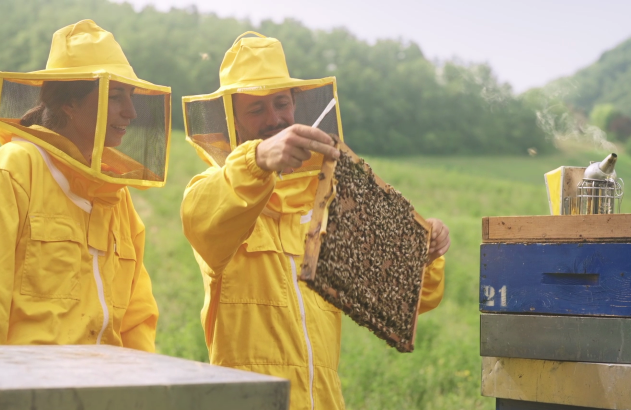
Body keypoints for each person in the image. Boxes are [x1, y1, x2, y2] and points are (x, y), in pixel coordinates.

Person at [181, 32, 449, 409]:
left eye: (281, 103)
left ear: (296, 107)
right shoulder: (219, 193)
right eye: (256, 109)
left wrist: (426, 251)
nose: (274, 118)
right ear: (232, 121)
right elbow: (201, 219)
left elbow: (412, 297)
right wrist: (256, 160)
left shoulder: (326, 206)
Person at [0, 20, 172, 351]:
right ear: (70, 102)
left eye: (132, 96)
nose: (131, 112)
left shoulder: (113, 194)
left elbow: (136, 316)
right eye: (116, 95)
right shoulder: (14, 170)